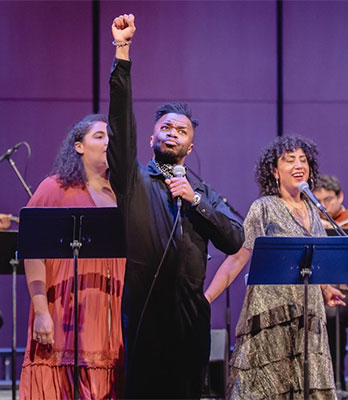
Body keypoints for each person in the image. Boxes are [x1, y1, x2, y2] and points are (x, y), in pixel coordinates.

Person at [109, 14, 245, 399]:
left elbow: (235, 240)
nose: (172, 133)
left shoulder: (201, 190)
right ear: (152, 136)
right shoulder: (133, 181)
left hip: (190, 317)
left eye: (181, 130)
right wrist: (123, 52)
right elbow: (119, 124)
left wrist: (195, 200)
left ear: (191, 146)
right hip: (143, 314)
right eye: (166, 127)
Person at [204, 136, 345, 399]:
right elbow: (237, 257)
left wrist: (326, 289)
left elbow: (316, 260)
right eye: (289, 160)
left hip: (308, 312)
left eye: (303, 159)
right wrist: (207, 297)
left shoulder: (314, 210)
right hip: (271, 315)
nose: (298, 164)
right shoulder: (263, 208)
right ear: (274, 170)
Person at [19, 114, 125, 399]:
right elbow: (32, 252)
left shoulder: (124, 194)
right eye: (99, 136)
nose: (108, 142)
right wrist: (41, 312)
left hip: (109, 314)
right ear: (78, 146)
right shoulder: (55, 188)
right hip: (63, 311)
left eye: (111, 137)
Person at [314, 175, 348, 391]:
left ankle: (335, 381)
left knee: (332, 313)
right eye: (317, 203)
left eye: (328, 200)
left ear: (340, 196)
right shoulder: (312, 223)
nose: (323, 207)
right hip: (319, 293)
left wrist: (328, 226)